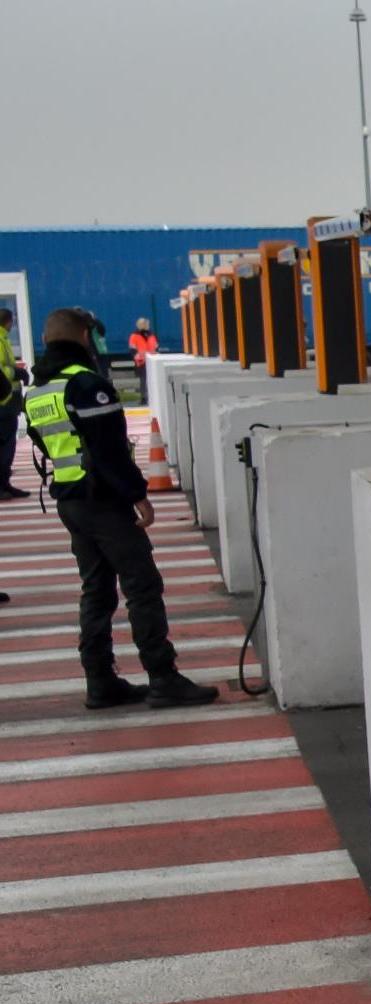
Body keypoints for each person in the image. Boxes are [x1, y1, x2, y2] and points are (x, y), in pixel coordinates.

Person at [23, 307, 219, 710]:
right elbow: (109, 450)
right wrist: (137, 493)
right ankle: (163, 677)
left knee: (96, 590)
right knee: (142, 586)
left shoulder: (39, 392)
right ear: (82, 336)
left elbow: (45, 446)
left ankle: (100, 680)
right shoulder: (86, 385)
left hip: (70, 501)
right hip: (103, 503)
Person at [0, 304, 27, 502]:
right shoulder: (0, 339)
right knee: (4, 444)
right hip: (3, 399)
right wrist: (16, 373)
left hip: (8, 399)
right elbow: (2, 369)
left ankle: (5, 483)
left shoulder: (4, 339)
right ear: (9, 322)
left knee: (8, 445)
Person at [129, 317, 159, 385]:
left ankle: (150, 395)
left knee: (152, 381)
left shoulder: (151, 335)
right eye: (146, 324)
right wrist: (138, 358)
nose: (148, 325)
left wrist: (156, 355)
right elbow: (133, 350)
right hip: (142, 362)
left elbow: (156, 347)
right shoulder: (134, 335)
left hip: (152, 361)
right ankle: (144, 395)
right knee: (144, 380)